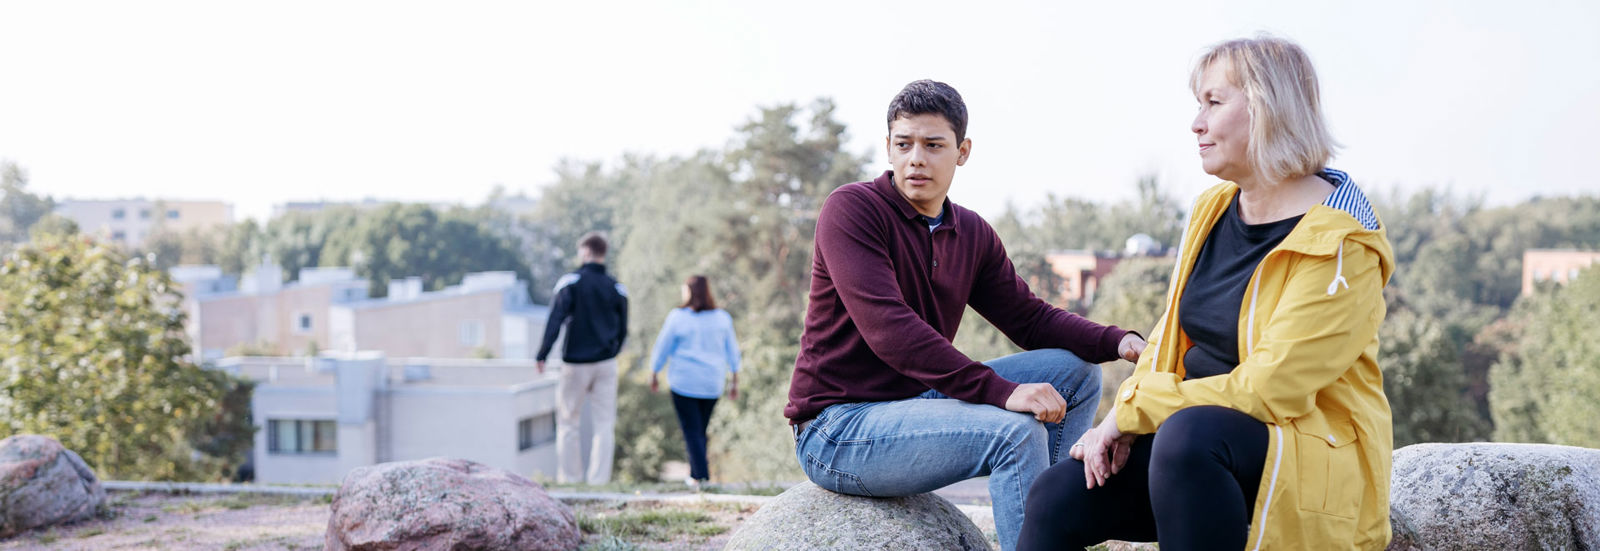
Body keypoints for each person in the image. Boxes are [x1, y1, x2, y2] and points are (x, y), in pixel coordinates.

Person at [1017, 36, 1395, 550]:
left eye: (1213, 103)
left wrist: (1135, 410)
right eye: (1199, 104)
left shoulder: (1341, 246)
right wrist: (1118, 420)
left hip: (1303, 453)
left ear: (1267, 110)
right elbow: (1169, 337)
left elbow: (1269, 391)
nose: (1196, 123)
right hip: (1192, 450)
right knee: (1057, 494)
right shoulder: (1212, 208)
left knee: (1189, 438)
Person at [785, 79, 1146, 551]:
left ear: (962, 151)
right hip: (838, 427)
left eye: (933, 145)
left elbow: (1028, 319)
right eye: (904, 144)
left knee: (1076, 375)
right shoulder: (853, 210)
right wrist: (1002, 392)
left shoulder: (970, 232)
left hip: (914, 400)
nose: (917, 158)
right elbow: (889, 330)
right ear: (887, 148)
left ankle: (1050, 530)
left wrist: (1119, 341)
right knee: (1015, 435)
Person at [537, 232, 629, 485]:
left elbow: (555, 320)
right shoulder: (616, 287)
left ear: (586, 252)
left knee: (568, 423)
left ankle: (570, 479)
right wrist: (613, 351)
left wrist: (542, 353)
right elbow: (623, 330)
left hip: (575, 363)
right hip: (606, 362)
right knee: (604, 423)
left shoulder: (570, 283)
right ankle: (599, 480)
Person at [648, 275, 741, 490]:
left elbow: (663, 346)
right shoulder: (722, 318)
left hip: (684, 382)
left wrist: (654, 372)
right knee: (699, 430)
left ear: (688, 292)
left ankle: (701, 477)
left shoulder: (677, 317)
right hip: (712, 383)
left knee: (692, 430)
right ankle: (695, 475)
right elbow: (733, 352)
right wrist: (734, 381)